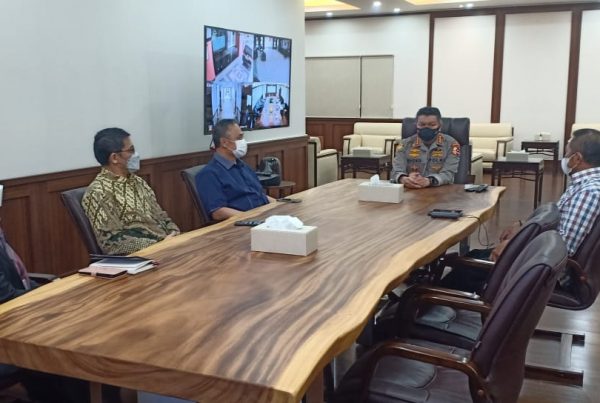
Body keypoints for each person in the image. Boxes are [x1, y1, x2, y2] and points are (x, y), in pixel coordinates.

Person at [82, 128, 180, 255]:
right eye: (131, 150)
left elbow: (161, 216)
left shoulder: (138, 182)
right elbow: (112, 242)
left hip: (168, 247)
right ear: (115, 158)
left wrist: (174, 233)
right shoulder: (98, 192)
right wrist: (159, 245)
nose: (136, 155)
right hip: (144, 257)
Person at [195, 119, 272, 221]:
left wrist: (279, 205)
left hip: (264, 217)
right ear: (224, 142)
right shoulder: (208, 174)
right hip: (242, 223)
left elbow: (260, 195)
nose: (243, 142)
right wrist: (251, 217)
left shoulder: (244, 166)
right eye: (239, 138)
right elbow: (218, 211)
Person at [390, 106, 461, 188]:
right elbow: (396, 171)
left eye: (432, 125)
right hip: (410, 189)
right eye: (422, 124)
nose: (426, 128)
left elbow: (449, 174)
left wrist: (429, 181)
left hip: (439, 190)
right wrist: (403, 179)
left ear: (440, 125)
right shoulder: (405, 144)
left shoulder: (451, 144)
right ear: (416, 124)